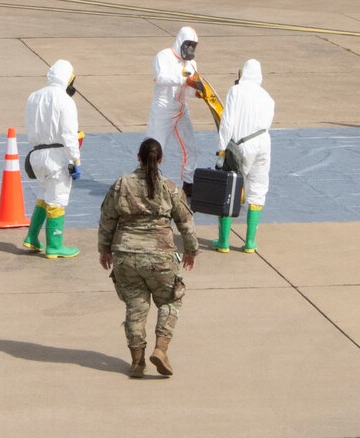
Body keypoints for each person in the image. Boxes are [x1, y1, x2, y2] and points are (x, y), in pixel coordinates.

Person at [99, 137, 196, 379]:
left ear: (138, 158)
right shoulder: (170, 188)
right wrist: (191, 250)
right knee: (171, 301)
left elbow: (107, 218)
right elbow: (185, 222)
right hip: (160, 257)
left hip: (126, 255)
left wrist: (104, 249)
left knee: (135, 306)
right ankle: (161, 349)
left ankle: (137, 361)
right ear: (160, 159)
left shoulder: (122, 184)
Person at [21, 59, 84, 259]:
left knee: (44, 195)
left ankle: (32, 236)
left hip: (36, 153)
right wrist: (76, 160)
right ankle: (55, 245)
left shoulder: (34, 97)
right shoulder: (66, 100)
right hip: (57, 156)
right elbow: (69, 134)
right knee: (57, 199)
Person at [214, 59, 274, 254]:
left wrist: (221, 151)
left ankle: (223, 242)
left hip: (240, 146)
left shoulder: (236, 91)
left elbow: (227, 122)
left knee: (228, 188)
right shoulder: (267, 97)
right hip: (263, 144)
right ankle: (250, 242)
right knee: (257, 189)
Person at [148, 26, 205, 187]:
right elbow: (161, 78)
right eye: (188, 44)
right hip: (163, 110)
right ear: (180, 41)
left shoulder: (191, 64)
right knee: (154, 150)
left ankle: (188, 182)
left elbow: (188, 89)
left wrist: (197, 93)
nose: (190, 49)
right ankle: (148, 183)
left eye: (193, 46)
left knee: (191, 148)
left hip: (181, 110)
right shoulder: (163, 56)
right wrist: (185, 80)